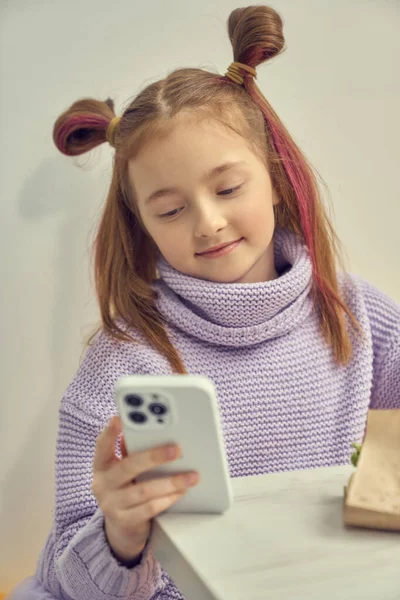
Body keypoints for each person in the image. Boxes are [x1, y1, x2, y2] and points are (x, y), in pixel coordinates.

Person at [10, 5, 400, 600]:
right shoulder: (123, 365)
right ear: (141, 224)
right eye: (170, 210)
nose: (208, 223)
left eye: (228, 188)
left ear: (274, 176)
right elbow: (72, 581)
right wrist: (120, 533)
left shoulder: (353, 315)